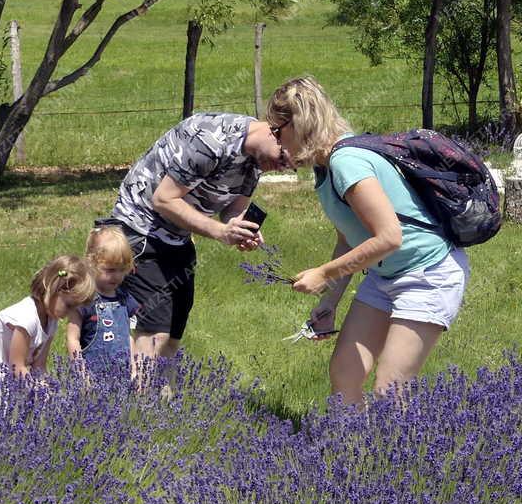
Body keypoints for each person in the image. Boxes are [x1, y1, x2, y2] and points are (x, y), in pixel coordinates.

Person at [268, 75, 469, 405]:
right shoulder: (326, 167)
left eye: (279, 130)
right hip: (386, 276)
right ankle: (353, 455)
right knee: (345, 373)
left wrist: (323, 273)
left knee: (391, 388)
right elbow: (349, 240)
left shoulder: (347, 161)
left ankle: (398, 457)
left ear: (300, 123)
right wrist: (329, 303)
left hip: (428, 275)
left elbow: (390, 237)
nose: (277, 141)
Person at [105, 110, 290, 389]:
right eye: (284, 158)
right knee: (154, 334)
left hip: (178, 238)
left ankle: (157, 411)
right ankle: (139, 411)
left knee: (173, 333)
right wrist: (220, 232)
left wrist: (238, 229)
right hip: (141, 232)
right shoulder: (212, 140)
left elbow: (234, 207)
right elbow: (164, 200)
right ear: (276, 131)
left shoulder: (255, 161)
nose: (284, 167)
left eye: (292, 165)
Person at [0, 256, 96, 394]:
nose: (70, 312)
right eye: (69, 305)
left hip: (5, 358)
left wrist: (47, 389)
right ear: (53, 289)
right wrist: (38, 391)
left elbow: (39, 366)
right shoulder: (28, 319)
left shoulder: (52, 321)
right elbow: (16, 366)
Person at [65, 226, 139, 379]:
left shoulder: (124, 298)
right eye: (110, 270)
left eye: (122, 269)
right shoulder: (84, 299)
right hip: (92, 376)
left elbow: (128, 336)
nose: (117, 276)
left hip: (122, 375)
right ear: (91, 263)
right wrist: (81, 373)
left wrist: (134, 368)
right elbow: (72, 338)